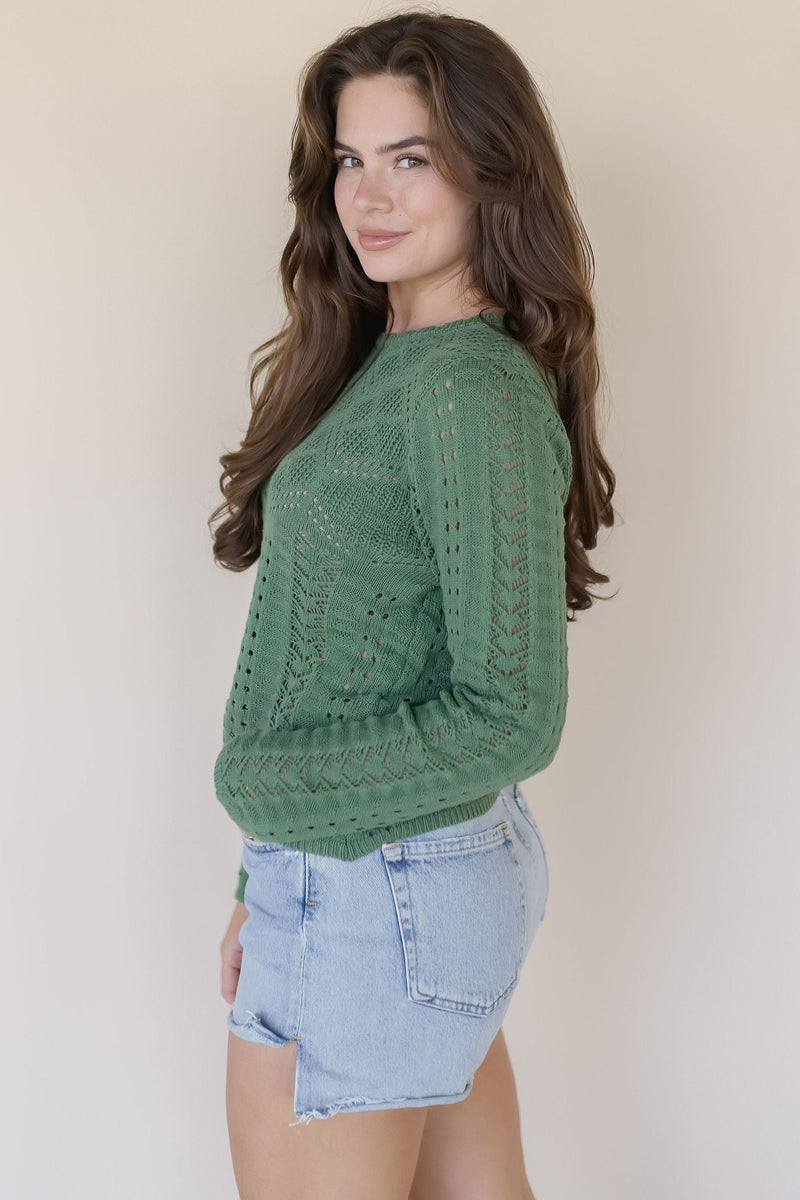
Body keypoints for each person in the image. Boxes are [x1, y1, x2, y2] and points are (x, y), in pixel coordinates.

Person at [209, 10, 616, 1199]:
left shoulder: (465, 391)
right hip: (392, 878)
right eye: (350, 159)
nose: (369, 196)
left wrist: (266, 795)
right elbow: (350, 656)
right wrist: (257, 878)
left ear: (492, 170)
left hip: (372, 887)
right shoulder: (400, 358)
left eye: (411, 158)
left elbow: (508, 715)